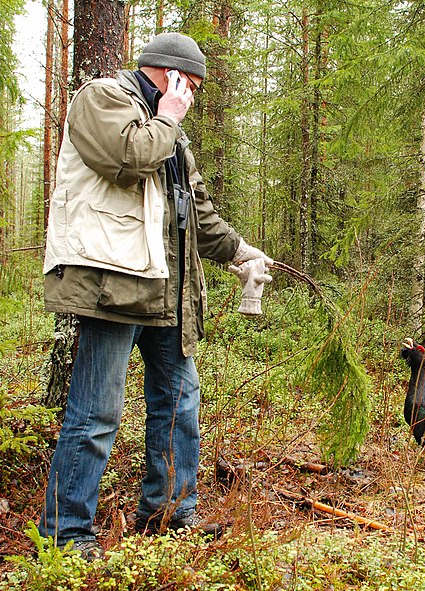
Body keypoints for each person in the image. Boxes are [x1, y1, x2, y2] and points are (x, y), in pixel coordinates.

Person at [39, 32, 273, 560]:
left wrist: (239, 251)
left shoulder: (173, 136)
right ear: (166, 73)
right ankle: (65, 535)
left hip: (167, 290)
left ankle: (168, 513)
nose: (192, 96)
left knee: (178, 402)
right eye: (189, 84)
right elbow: (127, 157)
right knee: (96, 413)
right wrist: (167, 116)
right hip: (113, 286)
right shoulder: (102, 99)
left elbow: (197, 212)